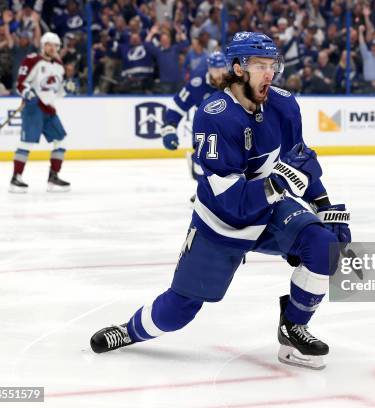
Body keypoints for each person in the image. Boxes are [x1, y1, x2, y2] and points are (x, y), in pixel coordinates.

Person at [90, 32, 351, 370]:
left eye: (273, 65)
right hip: (221, 221)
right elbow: (230, 201)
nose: (269, 74)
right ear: (238, 68)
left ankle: (293, 331)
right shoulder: (214, 116)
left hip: (269, 208)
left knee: (322, 244)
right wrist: (275, 182)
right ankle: (130, 331)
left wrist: (324, 204)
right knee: (179, 309)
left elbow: (299, 158)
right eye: (260, 66)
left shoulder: (284, 104)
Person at [159, 51, 227, 201]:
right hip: (206, 133)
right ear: (209, 69)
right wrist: (169, 128)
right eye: (216, 70)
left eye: (223, 69)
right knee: (201, 164)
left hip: (231, 131)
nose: (220, 74)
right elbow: (177, 106)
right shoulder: (197, 84)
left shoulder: (236, 83)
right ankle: (205, 192)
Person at [10, 32, 70, 193]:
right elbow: (21, 84)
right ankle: (16, 178)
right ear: (43, 45)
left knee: (61, 141)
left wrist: (67, 88)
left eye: (55, 45)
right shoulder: (32, 60)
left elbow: (57, 91)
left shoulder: (58, 65)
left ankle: (53, 177)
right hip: (34, 108)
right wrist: (28, 93)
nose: (52, 48)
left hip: (49, 109)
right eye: (49, 44)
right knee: (26, 143)